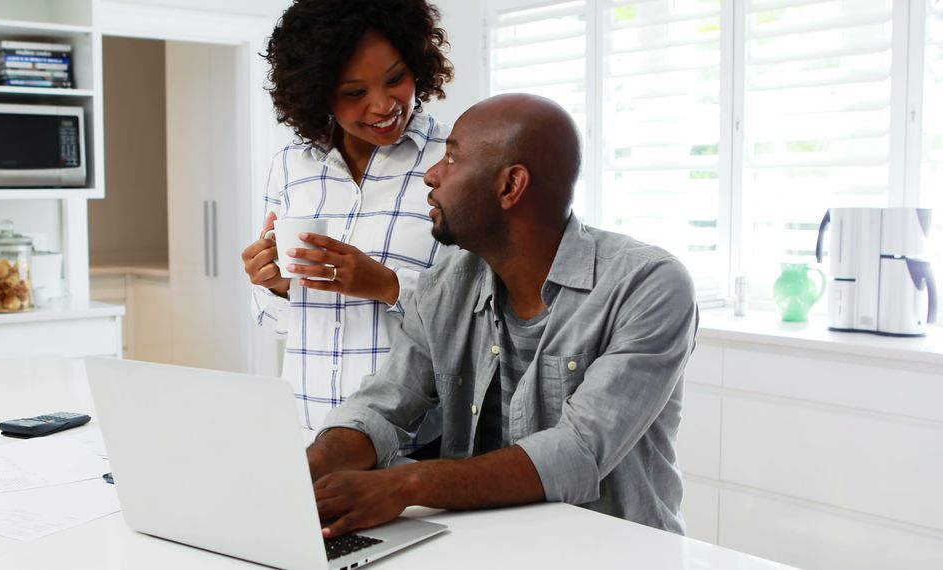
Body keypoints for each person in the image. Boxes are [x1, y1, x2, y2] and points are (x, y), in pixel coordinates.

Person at [306, 93, 699, 538]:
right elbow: (384, 405)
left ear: (511, 186)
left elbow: (576, 452)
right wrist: (308, 467)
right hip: (486, 548)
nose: (431, 175)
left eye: (452, 158)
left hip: (612, 552)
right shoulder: (443, 286)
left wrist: (405, 484)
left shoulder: (648, 286)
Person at [240, 0, 453, 442]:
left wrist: (385, 285)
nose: (382, 105)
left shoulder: (453, 161)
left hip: (410, 441)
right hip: (306, 431)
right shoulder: (290, 165)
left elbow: (484, 316)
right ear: (318, 92)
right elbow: (275, 320)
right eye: (355, 93)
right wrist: (274, 284)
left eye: (395, 79)